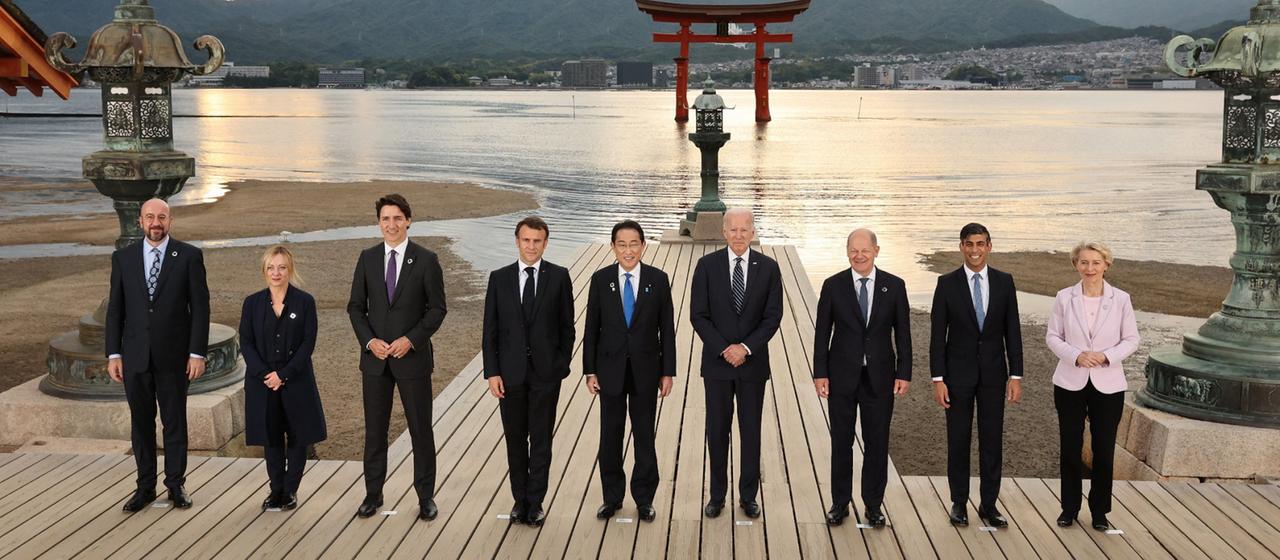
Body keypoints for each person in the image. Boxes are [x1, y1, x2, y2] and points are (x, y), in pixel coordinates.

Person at [347, 194, 447, 521]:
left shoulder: (426, 260)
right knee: (375, 432)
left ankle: (425, 497)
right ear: (379, 223)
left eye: (397, 218)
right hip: (375, 362)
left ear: (408, 221)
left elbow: (437, 309)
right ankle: (372, 495)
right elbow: (355, 308)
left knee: (421, 430)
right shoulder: (367, 258)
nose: (391, 225)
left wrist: (411, 340)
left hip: (412, 360)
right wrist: (369, 341)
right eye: (385, 219)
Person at [106, 198, 209, 512]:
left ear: (170, 220)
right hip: (134, 357)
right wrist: (113, 354)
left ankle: (176, 486)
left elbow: (201, 309)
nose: (156, 222)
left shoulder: (189, 256)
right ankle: (145, 487)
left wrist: (196, 353)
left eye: (161, 217)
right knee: (141, 424)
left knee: (174, 423)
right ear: (140, 221)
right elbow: (116, 310)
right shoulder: (122, 258)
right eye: (150, 216)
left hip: (175, 358)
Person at [689, 208, 783, 519]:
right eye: (734, 230)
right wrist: (724, 348)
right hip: (717, 366)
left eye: (745, 230)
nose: (739, 235)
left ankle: (748, 496)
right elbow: (698, 315)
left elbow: (772, 317)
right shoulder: (706, 266)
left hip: (752, 365)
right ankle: (717, 496)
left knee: (750, 431)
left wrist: (744, 348)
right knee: (717, 431)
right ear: (724, 232)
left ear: (753, 232)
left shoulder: (769, 269)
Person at [813, 228, 911, 527]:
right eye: (853, 250)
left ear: (876, 250)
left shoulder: (894, 286)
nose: (859, 255)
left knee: (877, 443)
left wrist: (904, 373)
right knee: (841, 442)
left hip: (880, 377)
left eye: (864, 250)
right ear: (847, 251)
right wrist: (820, 373)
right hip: (841, 376)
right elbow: (822, 334)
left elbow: (903, 334)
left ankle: (873, 506)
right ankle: (839, 504)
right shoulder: (833, 285)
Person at [482, 216, 575, 527]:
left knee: (541, 441)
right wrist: (492, 372)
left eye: (537, 241)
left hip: (546, 374)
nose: (531, 246)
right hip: (509, 375)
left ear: (545, 243)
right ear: (517, 241)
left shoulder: (559, 277)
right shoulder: (499, 278)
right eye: (526, 240)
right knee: (515, 440)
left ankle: (535, 503)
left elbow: (567, 327)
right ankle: (519, 501)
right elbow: (490, 331)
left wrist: (561, 365)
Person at [930, 222, 1023, 528]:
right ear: (961, 246)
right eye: (969, 244)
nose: (974, 250)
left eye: (980, 244)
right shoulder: (946, 284)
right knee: (957, 440)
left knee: (991, 441)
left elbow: (1013, 332)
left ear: (989, 246)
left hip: (994, 376)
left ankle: (989, 504)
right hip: (957, 377)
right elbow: (936, 336)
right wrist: (938, 379)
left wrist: (1016, 376)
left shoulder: (1004, 282)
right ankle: (959, 503)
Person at [583, 220, 676, 523]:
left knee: (644, 436)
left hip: (646, 371)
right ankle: (612, 497)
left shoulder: (658, 280)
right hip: (609, 370)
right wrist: (589, 370)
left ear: (643, 246)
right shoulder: (600, 280)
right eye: (621, 245)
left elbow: (667, 330)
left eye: (633, 244)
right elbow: (591, 329)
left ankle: (644, 499)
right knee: (610, 436)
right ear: (613, 247)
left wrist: (668, 372)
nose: (628, 250)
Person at [1046, 242, 1138, 532]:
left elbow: (1132, 339)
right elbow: (1052, 337)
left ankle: (1100, 511)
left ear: (1106, 265)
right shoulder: (1064, 297)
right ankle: (1068, 508)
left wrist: (1107, 356)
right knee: (1070, 448)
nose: (1089, 268)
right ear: (1076, 265)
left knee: (1103, 449)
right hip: (1070, 381)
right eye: (1084, 262)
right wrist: (1076, 355)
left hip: (1108, 384)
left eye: (1096, 262)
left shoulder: (1121, 299)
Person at [239, 245, 327, 511]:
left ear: (290, 270)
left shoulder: (305, 302)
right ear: (264, 271)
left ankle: (290, 491)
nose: (276, 273)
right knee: (271, 437)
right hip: (262, 382)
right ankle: (275, 489)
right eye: (271, 267)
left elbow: (307, 343)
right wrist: (266, 375)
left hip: (296, 380)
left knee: (299, 436)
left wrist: (284, 375)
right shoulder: (252, 303)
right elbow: (246, 341)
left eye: (281, 267)